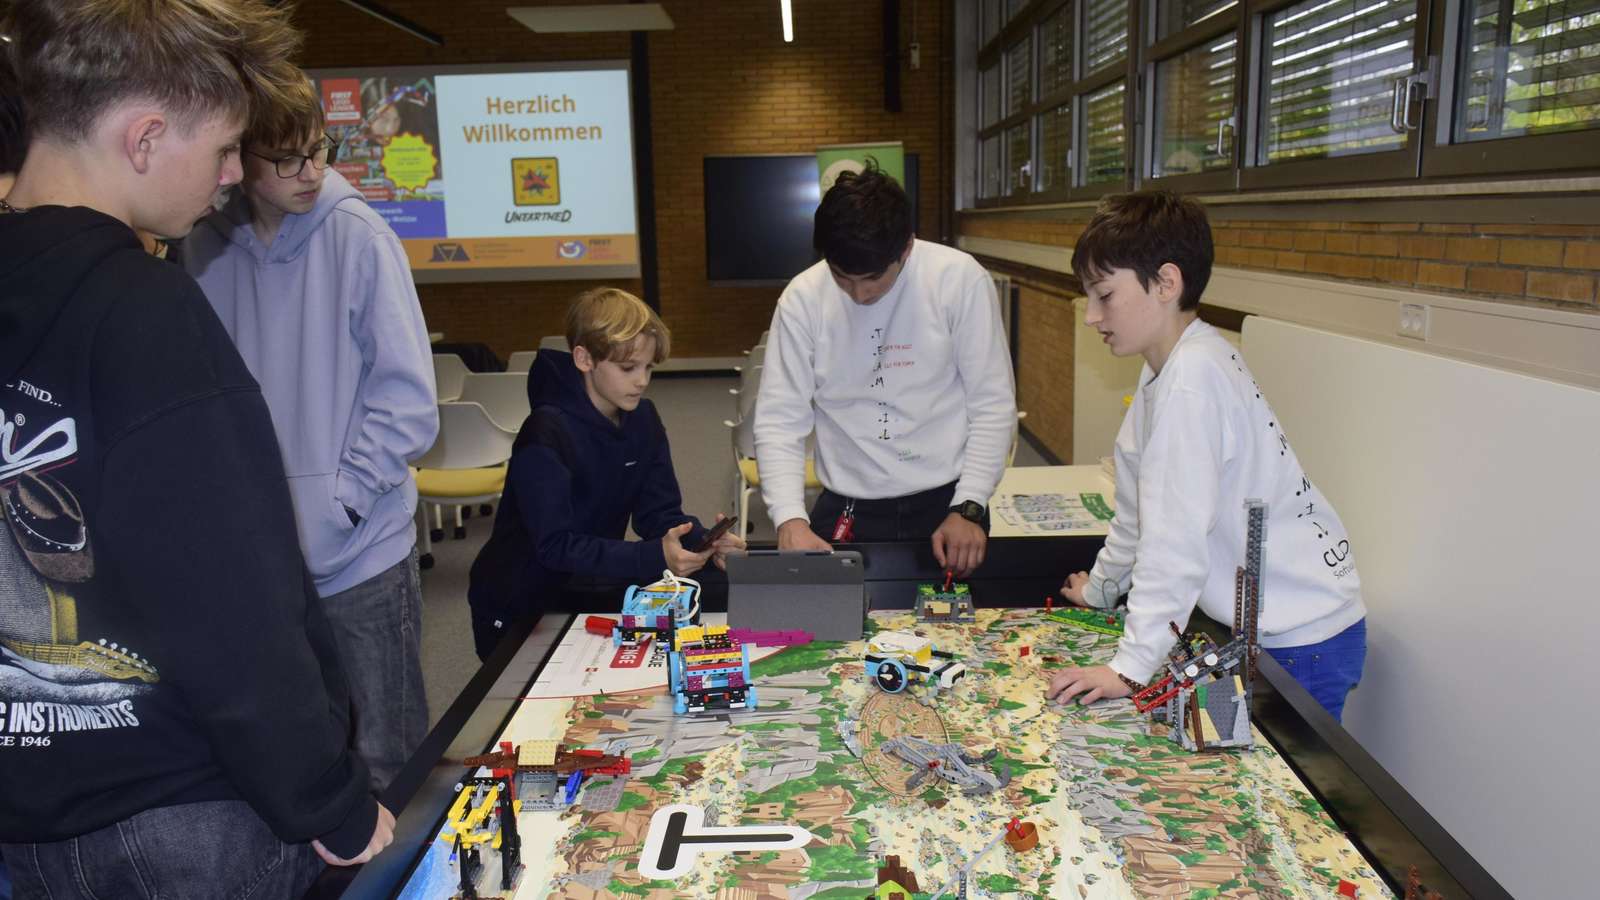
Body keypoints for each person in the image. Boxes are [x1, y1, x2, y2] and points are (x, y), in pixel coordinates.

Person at [0, 0, 392, 894]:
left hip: (29, 811)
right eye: (221, 149)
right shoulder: (146, 313)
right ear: (143, 139)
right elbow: (229, 603)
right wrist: (328, 799)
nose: (227, 178)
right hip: (182, 817)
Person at [184, 74, 438, 792]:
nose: (312, 173)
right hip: (260, 559)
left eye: (320, 151)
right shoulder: (202, 247)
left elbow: (408, 402)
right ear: (238, 160)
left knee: (388, 758)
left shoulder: (360, 237)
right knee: (295, 758)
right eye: (286, 159)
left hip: (362, 553)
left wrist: (342, 501)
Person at [1045, 191, 1368, 720]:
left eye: (1105, 295)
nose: (1092, 317)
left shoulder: (1192, 380)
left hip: (1300, 638)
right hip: (1281, 625)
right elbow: (1137, 508)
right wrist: (1104, 589)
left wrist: (1129, 667)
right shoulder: (1165, 367)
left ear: (1166, 283)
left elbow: (1176, 539)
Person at [754, 165, 1016, 577]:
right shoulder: (802, 298)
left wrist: (970, 505)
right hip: (846, 504)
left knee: (961, 633)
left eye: (874, 278)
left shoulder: (959, 280)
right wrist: (789, 518)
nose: (860, 294)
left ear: (906, 248)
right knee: (829, 635)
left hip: (948, 505)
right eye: (843, 278)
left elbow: (992, 406)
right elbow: (779, 420)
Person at [468, 288, 745, 659]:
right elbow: (554, 546)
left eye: (648, 367)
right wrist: (654, 557)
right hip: (519, 597)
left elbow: (659, 515)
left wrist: (702, 542)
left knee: (711, 586)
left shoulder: (643, 419)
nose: (642, 380)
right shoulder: (545, 432)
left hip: (586, 578)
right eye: (628, 368)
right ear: (584, 359)